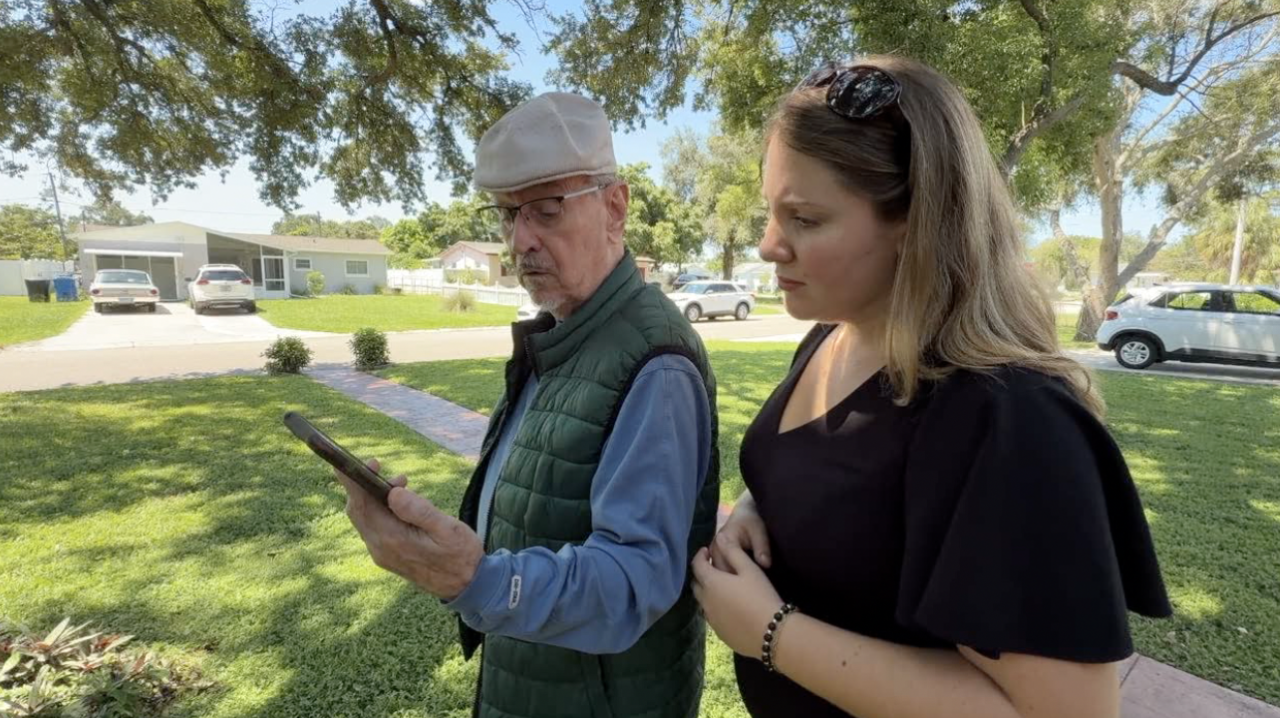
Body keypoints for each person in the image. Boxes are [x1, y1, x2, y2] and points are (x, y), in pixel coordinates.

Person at [691, 56, 1172, 718]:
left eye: (804, 218)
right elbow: (843, 481)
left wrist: (773, 635)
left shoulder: (1006, 417)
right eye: (771, 213)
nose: (771, 245)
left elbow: (1067, 711)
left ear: (915, 220)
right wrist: (760, 507)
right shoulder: (833, 337)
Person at [338, 92, 720, 718]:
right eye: (507, 215)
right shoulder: (571, 332)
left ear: (615, 207)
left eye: (545, 210)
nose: (520, 241)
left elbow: (632, 583)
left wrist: (477, 580)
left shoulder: (655, 359)